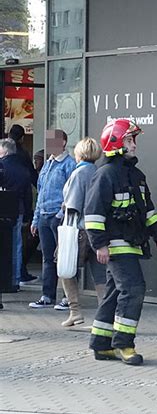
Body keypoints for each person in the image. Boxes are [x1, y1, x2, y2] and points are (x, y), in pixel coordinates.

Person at [85, 119, 157, 365]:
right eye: (130, 140)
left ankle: (101, 344)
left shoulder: (135, 175)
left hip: (131, 242)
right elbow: (93, 214)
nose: (134, 145)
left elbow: (148, 210)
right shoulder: (105, 175)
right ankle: (124, 343)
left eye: (134, 140)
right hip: (115, 245)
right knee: (133, 289)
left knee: (114, 292)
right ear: (116, 144)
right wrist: (99, 244)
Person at [59, 137, 106, 327]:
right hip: (97, 230)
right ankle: (104, 315)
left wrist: (63, 210)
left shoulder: (79, 174)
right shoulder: (100, 172)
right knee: (100, 274)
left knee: (65, 268)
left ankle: (75, 311)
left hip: (78, 230)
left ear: (79, 153)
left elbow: (72, 205)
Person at [29, 130, 75, 309]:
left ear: (63, 142)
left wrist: (61, 215)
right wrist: (35, 219)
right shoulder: (47, 164)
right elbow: (41, 194)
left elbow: (72, 192)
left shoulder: (68, 164)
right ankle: (47, 295)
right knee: (47, 258)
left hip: (58, 216)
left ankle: (68, 297)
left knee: (65, 257)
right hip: (44, 216)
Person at [8, 124, 38, 284]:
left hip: (10, 206)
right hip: (18, 206)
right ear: (21, 138)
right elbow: (30, 178)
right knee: (17, 242)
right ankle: (18, 274)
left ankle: (14, 276)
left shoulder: (7, 159)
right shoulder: (22, 156)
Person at [0, 138, 31, 290]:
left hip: (3, 210)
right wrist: (27, 214)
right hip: (17, 210)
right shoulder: (23, 168)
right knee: (16, 245)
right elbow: (27, 194)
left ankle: (5, 280)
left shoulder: (2, 167)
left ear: (4, 151)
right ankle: (15, 279)